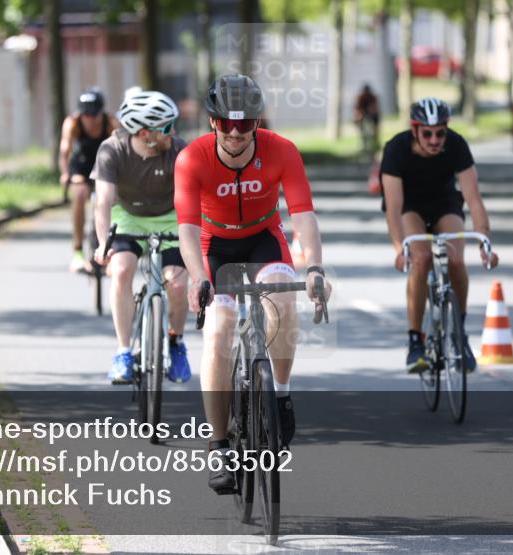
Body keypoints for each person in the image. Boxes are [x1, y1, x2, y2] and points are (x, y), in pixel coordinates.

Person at [174, 73, 332, 494]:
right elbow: (187, 228)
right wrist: (197, 277)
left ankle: (280, 395)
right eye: (227, 124)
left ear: (256, 122)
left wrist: (314, 268)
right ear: (213, 123)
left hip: (264, 238)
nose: (235, 133)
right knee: (219, 329)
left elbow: (303, 214)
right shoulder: (192, 158)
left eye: (244, 124)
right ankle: (219, 444)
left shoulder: (282, 150)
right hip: (215, 245)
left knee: (282, 299)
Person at [379, 97, 499, 375]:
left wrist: (485, 244)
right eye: (427, 134)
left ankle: (459, 333)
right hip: (409, 206)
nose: (434, 140)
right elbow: (393, 208)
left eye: (440, 133)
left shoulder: (456, 145)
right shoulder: (396, 149)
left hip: (444, 203)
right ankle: (415, 341)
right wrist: (399, 249)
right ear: (415, 131)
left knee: (456, 260)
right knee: (421, 259)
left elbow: (474, 200)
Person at [91, 90, 191, 384]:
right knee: (121, 270)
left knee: (177, 284)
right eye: (166, 127)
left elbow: (197, 197)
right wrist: (103, 243)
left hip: (171, 217)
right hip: (128, 216)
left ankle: (176, 342)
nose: (173, 132)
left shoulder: (179, 150)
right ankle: (123, 352)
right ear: (145, 133)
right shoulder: (112, 150)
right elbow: (103, 201)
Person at [59, 87, 118, 273]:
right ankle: (77, 252)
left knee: (113, 198)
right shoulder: (72, 123)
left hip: (105, 163)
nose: (90, 120)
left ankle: (113, 252)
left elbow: (122, 150)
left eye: (94, 115)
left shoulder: (111, 123)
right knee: (79, 194)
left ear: (101, 113)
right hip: (82, 164)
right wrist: (65, 173)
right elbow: (64, 151)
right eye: (86, 115)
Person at [354, 84, 381, 157]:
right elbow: (358, 109)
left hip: (372, 115)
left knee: (374, 132)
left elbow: (375, 109)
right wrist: (359, 117)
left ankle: (375, 144)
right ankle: (364, 144)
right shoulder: (361, 98)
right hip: (364, 115)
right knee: (363, 132)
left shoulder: (373, 97)